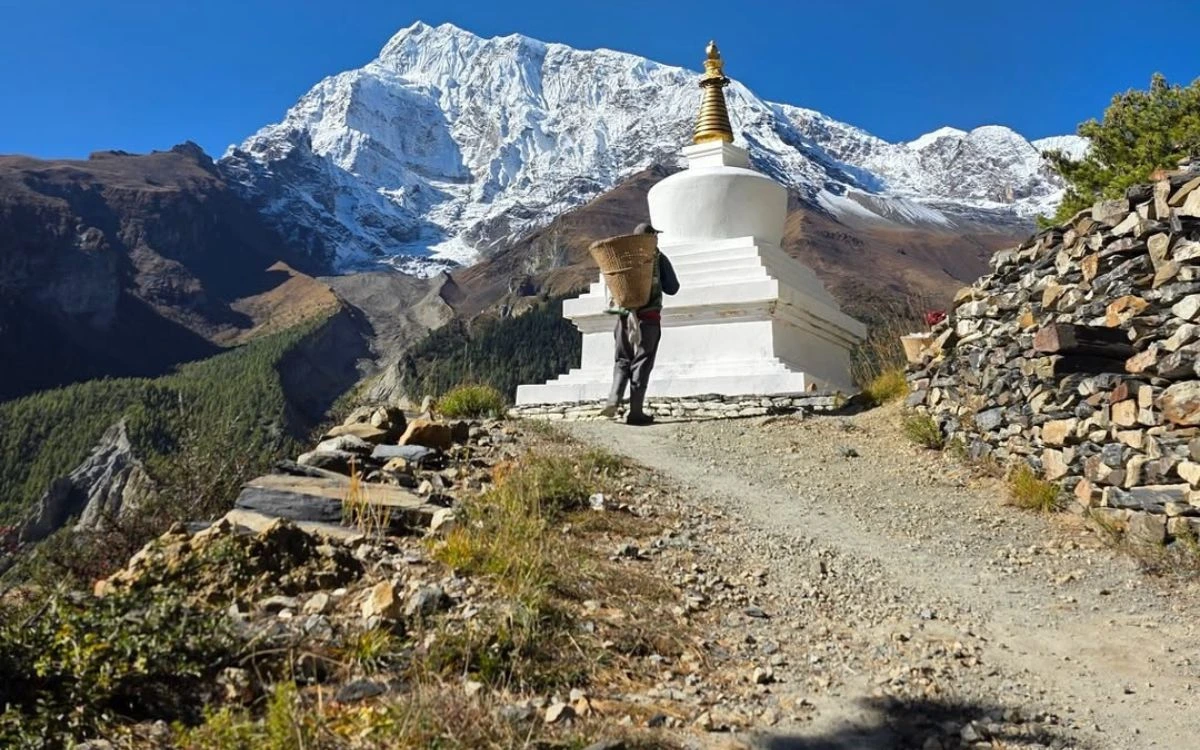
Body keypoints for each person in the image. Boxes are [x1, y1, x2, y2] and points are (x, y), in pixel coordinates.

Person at [600, 222, 680, 425]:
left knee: (622, 359)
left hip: (624, 317)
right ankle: (635, 412)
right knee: (642, 361)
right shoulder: (657, 257)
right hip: (649, 318)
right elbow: (673, 287)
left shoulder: (621, 256)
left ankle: (613, 398)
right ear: (652, 237)